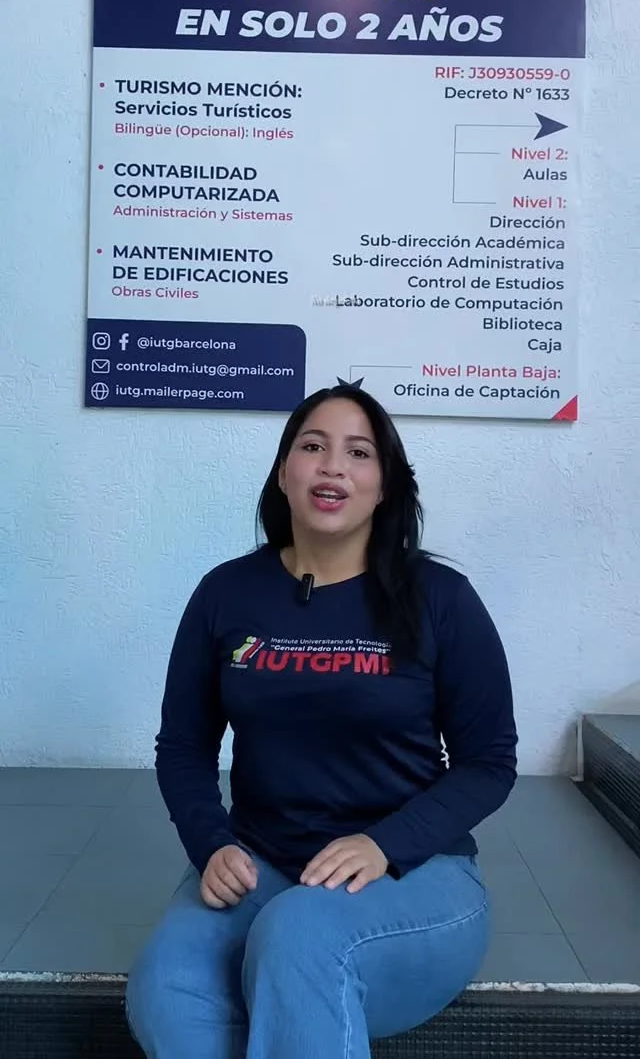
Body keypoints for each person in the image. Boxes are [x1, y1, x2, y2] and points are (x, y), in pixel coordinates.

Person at [126, 384, 518, 1059]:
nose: (333, 465)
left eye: (359, 453)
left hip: (412, 872)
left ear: (385, 485)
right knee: (168, 983)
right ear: (284, 473)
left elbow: (490, 763)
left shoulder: (441, 599)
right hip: (262, 861)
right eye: (313, 446)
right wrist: (209, 843)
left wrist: (384, 844)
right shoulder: (227, 593)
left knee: (301, 936)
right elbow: (183, 747)